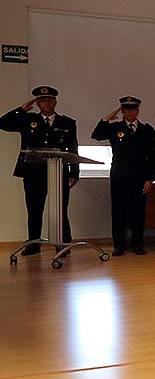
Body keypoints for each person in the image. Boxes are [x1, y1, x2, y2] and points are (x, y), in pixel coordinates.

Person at [1, 86, 78, 254]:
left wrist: (74, 173)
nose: (46, 103)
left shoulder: (67, 123)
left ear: (55, 102)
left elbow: (73, 149)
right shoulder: (27, 120)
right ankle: (34, 244)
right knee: (34, 209)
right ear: (37, 103)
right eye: (42, 100)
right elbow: (2, 123)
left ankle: (63, 244)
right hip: (33, 172)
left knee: (60, 210)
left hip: (59, 172)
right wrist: (21, 110)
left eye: (49, 100)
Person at [92, 96, 155, 256]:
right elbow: (97, 134)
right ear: (122, 111)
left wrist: (150, 178)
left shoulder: (147, 130)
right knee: (118, 211)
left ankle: (137, 244)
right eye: (126, 109)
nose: (130, 112)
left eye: (133, 109)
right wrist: (107, 118)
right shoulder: (115, 128)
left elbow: (151, 156)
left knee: (138, 212)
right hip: (119, 176)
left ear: (138, 111)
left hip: (139, 178)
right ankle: (118, 245)